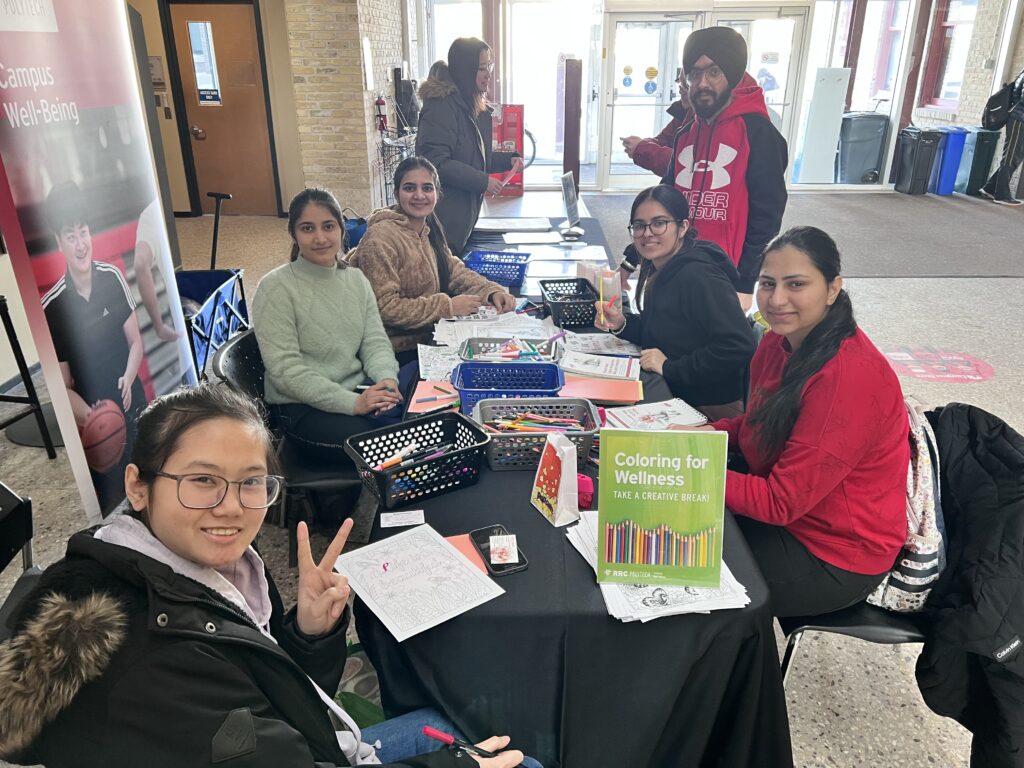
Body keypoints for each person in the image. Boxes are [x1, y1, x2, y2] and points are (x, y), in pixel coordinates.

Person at [0, 384, 536, 767]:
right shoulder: (147, 668)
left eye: (251, 483)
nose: (231, 508)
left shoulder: (197, 571)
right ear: (138, 487)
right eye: (203, 480)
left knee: (473, 725)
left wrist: (306, 634)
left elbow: (269, 701)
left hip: (312, 742)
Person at [705, 226, 908, 617]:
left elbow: (780, 504)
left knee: (678, 572)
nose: (777, 299)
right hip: (793, 513)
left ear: (833, 288)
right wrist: (697, 437)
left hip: (833, 555)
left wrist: (688, 467)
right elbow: (756, 424)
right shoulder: (776, 341)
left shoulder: (850, 377)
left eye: (796, 284)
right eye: (767, 283)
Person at [618, 27, 788, 310]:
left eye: (713, 72)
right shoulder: (686, 133)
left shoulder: (760, 134)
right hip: (672, 270)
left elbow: (767, 216)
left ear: (732, 75)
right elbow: (662, 204)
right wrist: (631, 261)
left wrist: (745, 283)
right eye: (694, 74)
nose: (702, 83)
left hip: (724, 280)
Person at [252, 188, 404, 464]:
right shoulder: (275, 288)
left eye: (328, 226)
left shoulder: (356, 280)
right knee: (390, 451)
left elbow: (374, 342)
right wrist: (353, 404)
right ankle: (356, 507)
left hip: (357, 391)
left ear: (341, 229)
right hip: (302, 408)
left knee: (422, 423)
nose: (320, 238)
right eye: (307, 228)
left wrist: (386, 381)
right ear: (294, 234)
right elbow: (286, 371)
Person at [595, 185, 756, 410]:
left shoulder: (699, 276)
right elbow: (663, 332)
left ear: (682, 227)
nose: (647, 233)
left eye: (659, 223)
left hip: (705, 405)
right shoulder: (663, 266)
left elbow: (739, 345)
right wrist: (621, 323)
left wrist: (670, 367)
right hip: (674, 389)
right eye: (639, 226)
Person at [41, 180, 147, 512]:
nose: (80, 243)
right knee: (115, 504)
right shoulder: (53, 306)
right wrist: (93, 417)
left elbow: (136, 344)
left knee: (150, 484)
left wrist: (129, 376)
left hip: (132, 403)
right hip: (97, 425)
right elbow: (63, 385)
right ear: (59, 242)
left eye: (83, 232)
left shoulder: (112, 278)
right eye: (70, 236)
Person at [350, 156, 516, 366]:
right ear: (396, 193)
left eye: (427, 188)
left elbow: (454, 270)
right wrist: (447, 307)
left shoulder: (428, 229)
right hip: (393, 353)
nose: (419, 195)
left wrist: (491, 291)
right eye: (410, 188)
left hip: (430, 338)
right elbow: (385, 308)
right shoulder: (380, 238)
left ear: (437, 193)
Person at [416, 39, 523, 255]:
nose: (488, 74)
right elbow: (435, 163)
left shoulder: (470, 103)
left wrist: (507, 159)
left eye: (489, 66)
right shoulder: (441, 106)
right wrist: (482, 181)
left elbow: (473, 154)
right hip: (444, 217)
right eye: (482, 68)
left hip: (463, 215)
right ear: (465, 70)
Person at [620, 69, 694, 176]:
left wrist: (641, 147)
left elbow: (682, 164)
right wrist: (642, 143)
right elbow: (663, 139)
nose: (680, 91)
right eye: (680, 84)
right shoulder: (683, 111)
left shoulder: (706, 120)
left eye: (686, 86)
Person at [981, 67, 1024, 206]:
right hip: (1019, 118)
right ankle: (1001, 195)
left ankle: (990, 187)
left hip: (1019, 118)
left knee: (1016, 156)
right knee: (1011, 155)